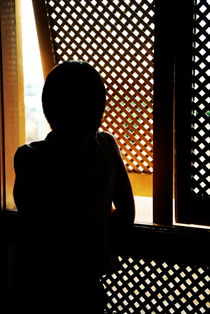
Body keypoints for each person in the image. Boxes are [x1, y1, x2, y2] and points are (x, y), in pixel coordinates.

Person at [12, 60, 135, 313]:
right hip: (88, 282)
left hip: (40, 281)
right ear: (99, 110)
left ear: (48, 107)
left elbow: (28, 216)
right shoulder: (106, 147)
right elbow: (127, 212)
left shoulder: (28, 157)